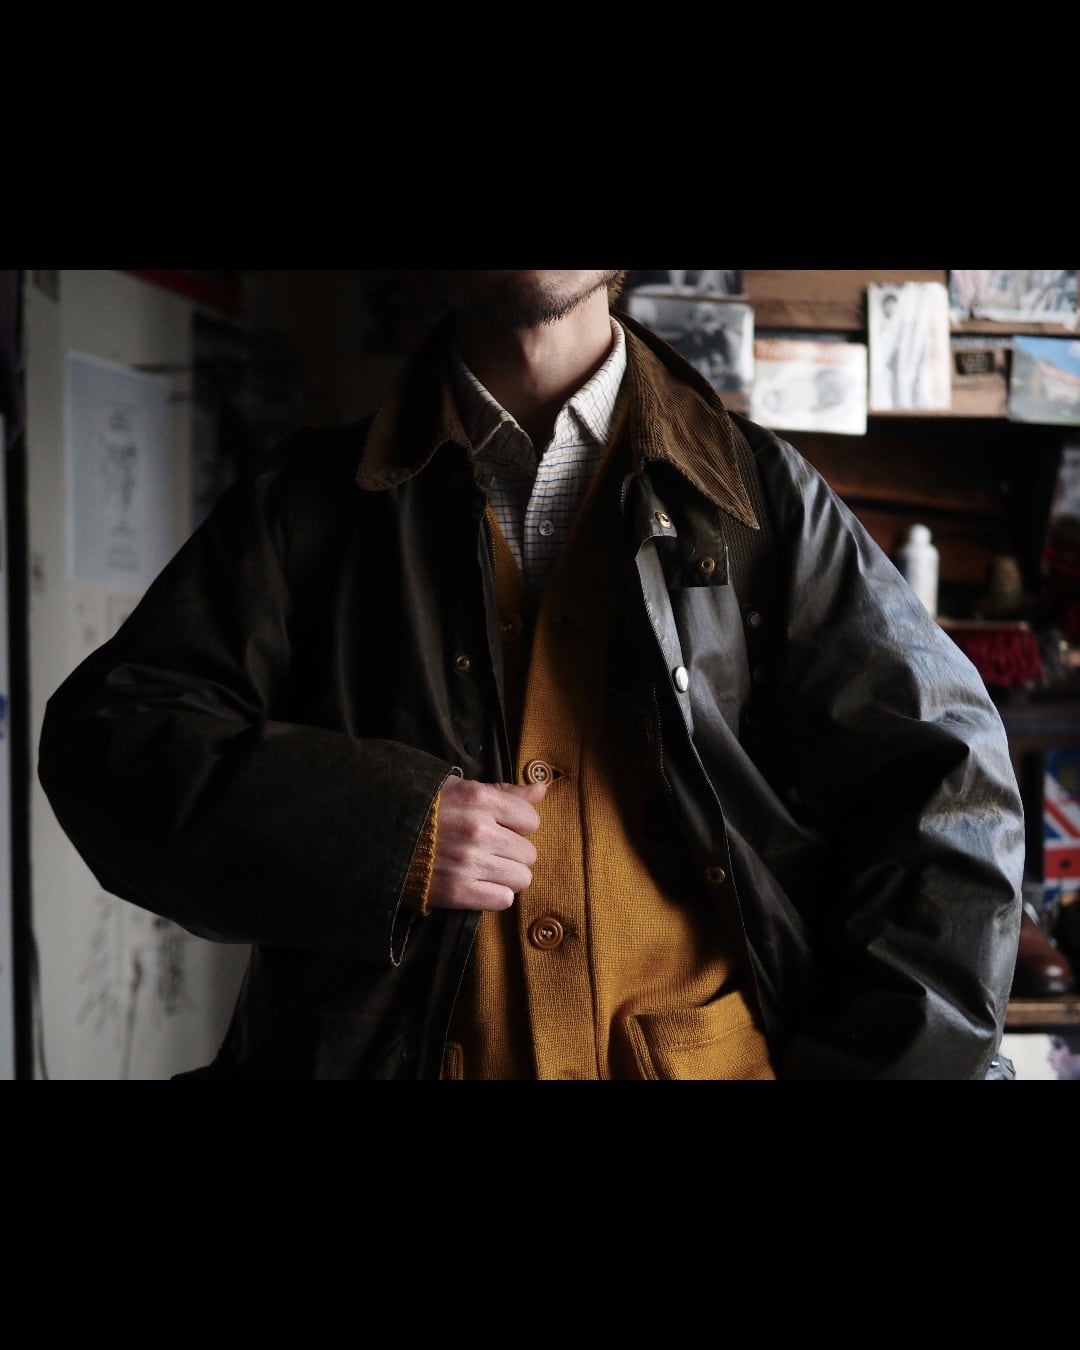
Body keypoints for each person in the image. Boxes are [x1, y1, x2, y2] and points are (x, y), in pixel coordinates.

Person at [37, 269, 1026, 1080]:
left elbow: (951, 800)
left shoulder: (761, 498)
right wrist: (384, 830)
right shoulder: (305, 505)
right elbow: (111, 744)